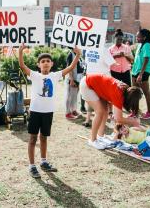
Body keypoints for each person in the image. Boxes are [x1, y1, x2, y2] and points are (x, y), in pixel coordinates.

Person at [19, 44, 81, 178]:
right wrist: (20, 51)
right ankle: (32, 166)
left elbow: (70, 67)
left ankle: (44, 162)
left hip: (48, 112)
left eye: (48, 61)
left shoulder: (55, 75)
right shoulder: (34, 75)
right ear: (38, 64)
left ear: (52, 64)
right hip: (35, 111)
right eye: (43, 61)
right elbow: (23, 66)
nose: (45, 63)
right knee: (32, 138)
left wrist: (78, 54)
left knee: (44, 137)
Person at [80, 73, 143, 150]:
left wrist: (111, 113)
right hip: (87, 84)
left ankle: (100, 136)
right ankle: (93, 140)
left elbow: (110, 100)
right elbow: (118, 118)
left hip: (95, 84)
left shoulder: (125, 90)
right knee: (99, 112)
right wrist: (133, 122)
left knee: (105, 111)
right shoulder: (119, 93)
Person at [82, 46, 116, 127]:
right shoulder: (104, 49)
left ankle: (88, 120)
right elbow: (113, 65)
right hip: (102, 81)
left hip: (90, 80)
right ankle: (99, 132)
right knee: (103, 109)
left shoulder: (88, 49)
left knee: (93, 104)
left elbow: (87, 63)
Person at [132, 29, 150, 119]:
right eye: (136, 36)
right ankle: (135, 112)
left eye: (138, 36)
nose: (137, 38)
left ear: (144, 37)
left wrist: (141, 74)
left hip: (143, 72)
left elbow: (146, 59)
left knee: (146, 92)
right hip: (135, 71)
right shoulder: (140, 45)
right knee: (134, 93)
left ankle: (149, 112)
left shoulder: (147, 45)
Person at [64, 48, 86, 119]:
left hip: (78, 78)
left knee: (74, 96)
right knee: (69, 96)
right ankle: (68, 113)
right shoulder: (70, 55)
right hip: (72, 78)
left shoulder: (78, 54)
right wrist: (71, 79)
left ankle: (73, 110)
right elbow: (69, 68)